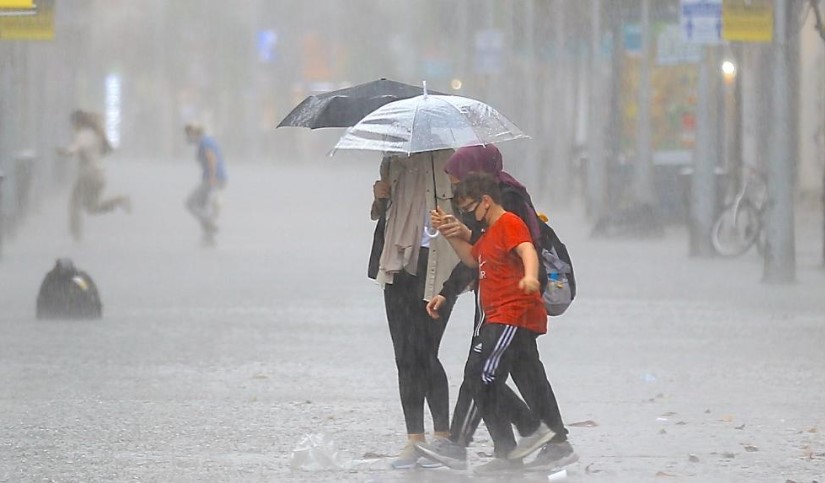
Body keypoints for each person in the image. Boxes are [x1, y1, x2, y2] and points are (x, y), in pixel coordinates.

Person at [417, 145, 576, 473]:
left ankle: (512, 437)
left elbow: (522, 248)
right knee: (522, 373)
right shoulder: (488, 213)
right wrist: (454, 241)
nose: (457, 193)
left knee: (481, 373)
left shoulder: (507, 207)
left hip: (511, 303)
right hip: (500, 301)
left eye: (460, 183)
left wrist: (530, 277)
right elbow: (476, 255)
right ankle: (530, 447)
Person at [368, 150, 461, 469]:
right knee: (404, 356)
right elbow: (383, 214)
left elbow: (469, 213)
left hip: (438, 266)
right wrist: (379, 197)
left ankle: (443, 437)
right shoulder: (391, 160)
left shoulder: (450, 161)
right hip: (397, 264)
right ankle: (414, 440)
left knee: (425, 352)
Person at [57, 109, 131, 242]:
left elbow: (77, 148)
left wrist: (65, 151)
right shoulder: (95, 134)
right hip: (99, 175)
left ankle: (76, 236)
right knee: (91, 207)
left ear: (78, 123)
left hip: (88, 174)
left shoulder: (85, 134)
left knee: (74, 203)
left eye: (73, 124)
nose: (72, 127)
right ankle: (119, 200)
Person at [184, 123, 227, 246]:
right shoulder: (207, 140)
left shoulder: (204, 142)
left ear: (193, 133)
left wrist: (212, 177)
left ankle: (209, 223)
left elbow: (211, 158)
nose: (187, 138)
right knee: (204, 205)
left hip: (212, 179)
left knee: (191, 203)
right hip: (217, 178)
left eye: (188, 134)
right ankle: (208, 233)